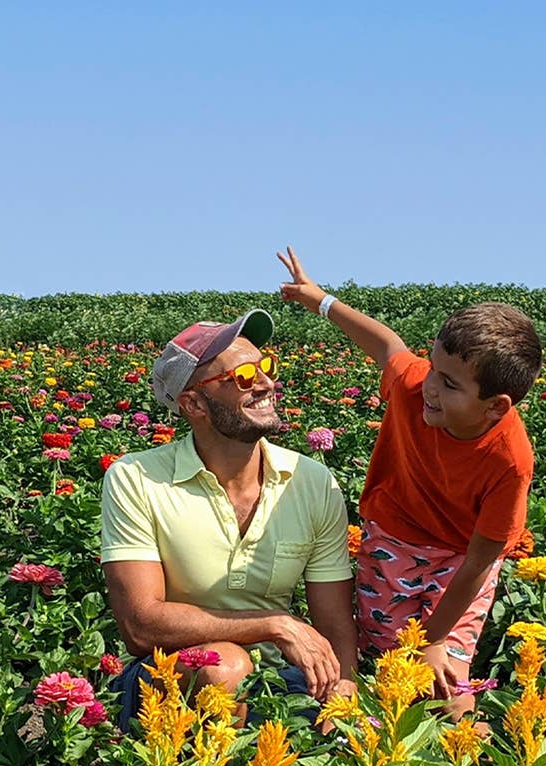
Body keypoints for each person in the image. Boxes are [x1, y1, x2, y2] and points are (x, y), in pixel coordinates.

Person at [277, 247, 541, 718]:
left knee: (446, 678)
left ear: (496, 406)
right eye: (434, 368)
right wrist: (318, 299)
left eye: (451, 384)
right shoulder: (416, 384)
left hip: (462, 561)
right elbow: (387, 346)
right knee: (388, 666)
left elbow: (481, 561)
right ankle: (375, 754)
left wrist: (435, 639)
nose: (432, 388)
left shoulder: (511, 461)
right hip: (393, 541)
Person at [100, 308, 358, 728]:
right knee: (227, 667)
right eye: (242, 377)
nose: (266, 383)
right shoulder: (137, 478)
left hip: (282, 679)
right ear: (194, 404)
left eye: (266, 366)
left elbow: (333, 619)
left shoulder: (310, 481)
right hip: (167, 678)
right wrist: (274, 625)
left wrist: (344, 690)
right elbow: (141, 625)